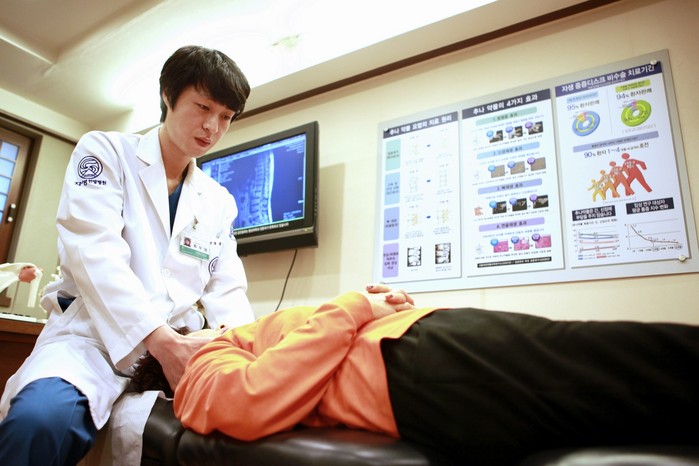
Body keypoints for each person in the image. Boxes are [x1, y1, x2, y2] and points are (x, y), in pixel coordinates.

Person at [0, 45, 255, 466]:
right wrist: (160, 341)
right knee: (39, 423)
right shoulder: (106, 152)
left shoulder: (218, 201)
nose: (212, 127)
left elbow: (228, 290)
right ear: (168, 96)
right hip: (92, 343)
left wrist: (242, 348)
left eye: (226, 117)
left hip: (177, 351)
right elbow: (93, 254)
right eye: (203, 107)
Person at [169, 285, 699, 466]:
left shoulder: (245, 338)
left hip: (423, 344)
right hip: (412, 366)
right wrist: (354, 306)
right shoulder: (199, 370)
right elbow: (252, 397)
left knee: (618, 374)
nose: (212, 326)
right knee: (638, 366)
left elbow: (312, 347)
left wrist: (375, 303)